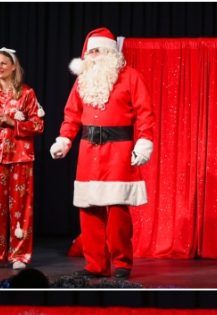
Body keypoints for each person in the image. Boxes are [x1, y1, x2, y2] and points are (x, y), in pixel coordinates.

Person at [50, 27, 156, 279]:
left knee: (118, 211)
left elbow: (145, 113)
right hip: (88, 152)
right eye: (91, 52)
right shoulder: (82, 81)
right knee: (89, 211)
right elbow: (72, 114)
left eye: (99, 51)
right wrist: (65, 139)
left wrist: (143, 143)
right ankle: (95, 264)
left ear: (111, 53)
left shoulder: (130, 77)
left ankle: (121, 263)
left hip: (118, 151)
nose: (95, 56)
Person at [0, 48, 45, 270]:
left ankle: (19, 255)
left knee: (21, 207)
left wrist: (12, 122)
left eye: (4, 63)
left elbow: (38, 125)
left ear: (14, 67)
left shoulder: (27, 93)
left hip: (21, 157)